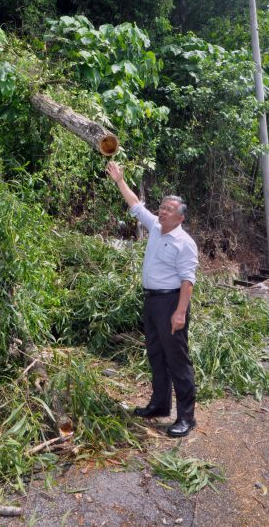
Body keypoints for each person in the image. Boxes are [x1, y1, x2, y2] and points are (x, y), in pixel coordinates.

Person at [106, 161, 198, 437]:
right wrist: (120, 180)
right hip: (151, 302)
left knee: (177, 360)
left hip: (171, 304)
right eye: (162, 206)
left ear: (180, 217)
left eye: (169, 209)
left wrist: (180, 313)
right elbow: (135, 205)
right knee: (156, 355)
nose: (163, 211)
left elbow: (188, 281)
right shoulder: (156, 228)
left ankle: (186, 418)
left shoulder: (185, 243)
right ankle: (159, 405)